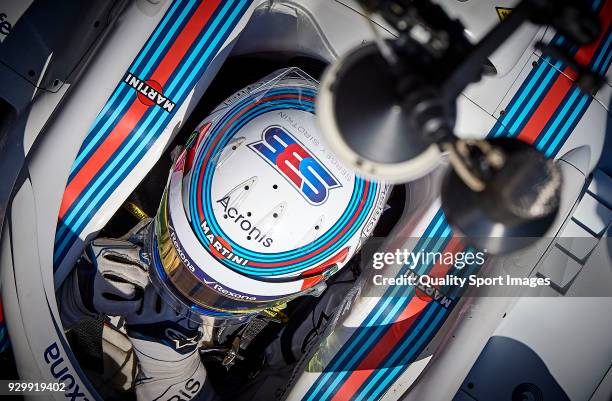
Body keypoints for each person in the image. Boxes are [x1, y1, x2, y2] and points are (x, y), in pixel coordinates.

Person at [58, 69, 388, 400]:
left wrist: (171, 370)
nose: (182, 294)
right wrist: (62, 295)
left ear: (317, 277)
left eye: (223, 296)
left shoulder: (338, 314)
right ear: (181, 157)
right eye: (176, 251)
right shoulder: (124, 153)